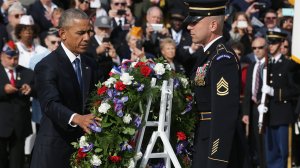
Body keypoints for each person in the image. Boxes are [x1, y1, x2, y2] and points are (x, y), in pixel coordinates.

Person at [30, 8, 101, 168]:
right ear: (63, 34)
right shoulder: (47, 65)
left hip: (85, 151)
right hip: (54, 151)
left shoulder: (91, 64)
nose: (87, 38)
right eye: (80, 33)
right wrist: (77, 118)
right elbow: (49, 103)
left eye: (89, 32)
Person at [183, 0, 243, 167]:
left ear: (213, 25)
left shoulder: (223, 59)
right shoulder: (206, 56)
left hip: (214, 145)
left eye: (194, 22)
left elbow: (224, 113)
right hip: (202, 138)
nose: (189, 27)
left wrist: (217, 158)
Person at [258, 30, 298, 168]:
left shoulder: (289, 65)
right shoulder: (267, 65)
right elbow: (261, 88)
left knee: (284, 152)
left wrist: (275, 92)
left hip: (284, 114)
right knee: (271, 153)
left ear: (281, 44)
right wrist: (260, 103)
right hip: (269, 115)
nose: (271, 46)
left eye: (274, 43)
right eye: (269, 43)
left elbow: (296, 90)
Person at [0, 40, 34, 168]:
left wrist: (30, 89)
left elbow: (38, 89)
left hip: (20, 124)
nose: (13, 61)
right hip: (1, 124)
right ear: (1, 56)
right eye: (9, 58)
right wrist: (3, 90)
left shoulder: (27, 72)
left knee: (17, 161)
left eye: (16, 58)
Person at [242, 37, 268, 168]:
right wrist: (245, 112)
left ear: (266, 48)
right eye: (254, 48)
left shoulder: (269, 65)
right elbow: (248, 90)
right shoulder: (252, 66)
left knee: (264, 141)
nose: (256, 51)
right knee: (254, 141)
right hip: (253, 108)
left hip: (265, 108)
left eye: (260, 48)